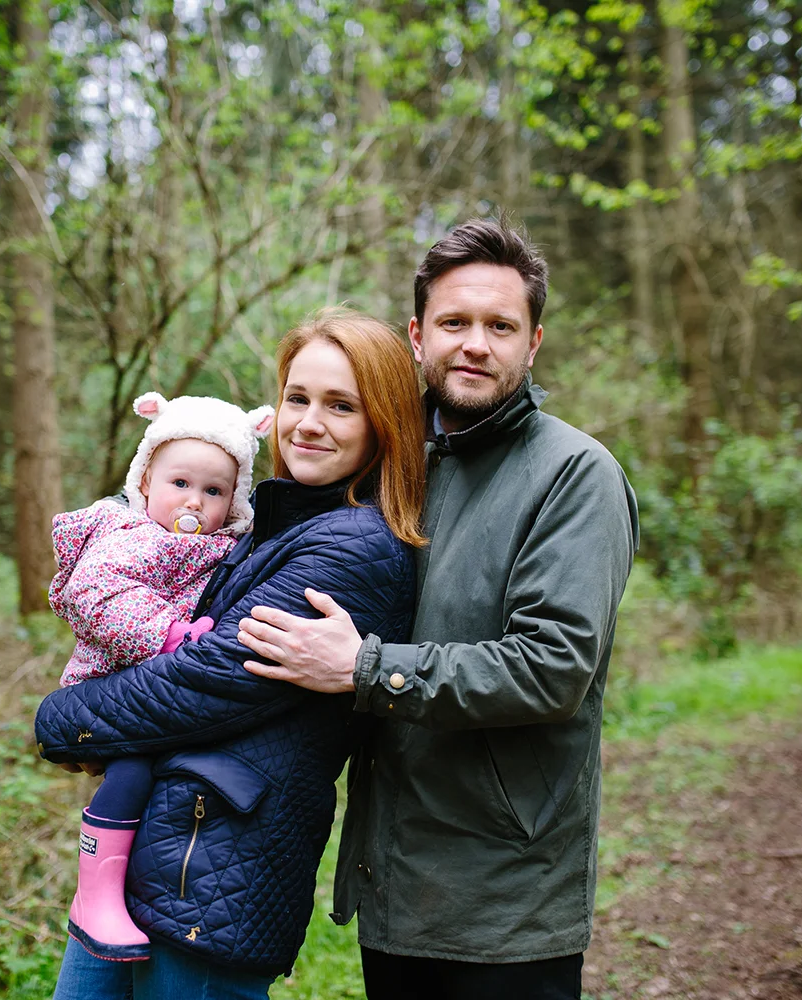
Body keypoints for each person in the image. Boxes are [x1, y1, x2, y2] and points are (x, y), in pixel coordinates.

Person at [238, 219, 640, 1000]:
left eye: (501, 326)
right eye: (454, 323)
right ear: (418, 336)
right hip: (393, 876)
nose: (475, 345)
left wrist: (365, 668)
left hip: (507, 893)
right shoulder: (388, 459)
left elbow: (552, 668)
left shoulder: (575, 476)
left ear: (534, 342)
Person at [35, 308, 427, 999]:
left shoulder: (355, 547)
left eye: (341, 406)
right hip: (155, 853)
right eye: (297, 398)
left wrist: (59, 720)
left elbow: (207, 680)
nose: (309, 423)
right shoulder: (262, 526)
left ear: (384, 423)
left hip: (216, 876)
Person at [47, 391, 275, 961]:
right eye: (180, 483)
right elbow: (95, 594)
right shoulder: (131, 534)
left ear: (235, 500)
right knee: (131, 772)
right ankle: (94, 896)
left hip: (159, 689)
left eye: (214, 491)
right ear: (145, 480)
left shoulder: (218, 545)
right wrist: (169, 635)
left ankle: (119, 892)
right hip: (109, 680)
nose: (193, 500)